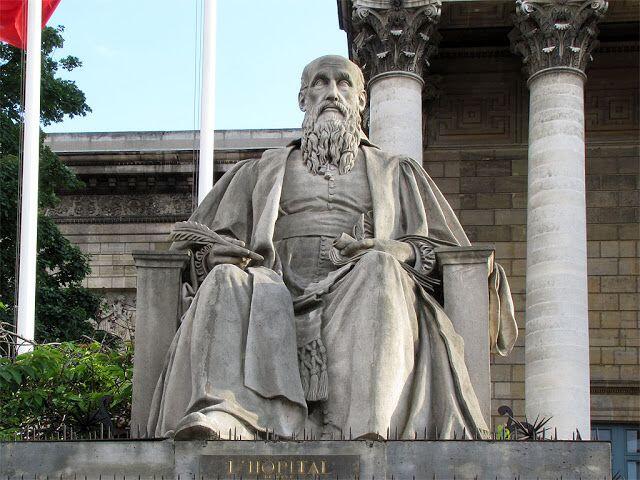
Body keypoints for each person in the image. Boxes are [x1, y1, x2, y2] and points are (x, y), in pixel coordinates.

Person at [147, 55, 517, 440]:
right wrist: (212, 256)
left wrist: (400, 251)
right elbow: (193, 246)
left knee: (379, 268)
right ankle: (228, 415)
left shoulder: (397, 173)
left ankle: (367, 427)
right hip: (271, 287)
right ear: (302, 98)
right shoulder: (257, 172)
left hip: (355, 288)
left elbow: (443, 251)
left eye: (344, 85)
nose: (332, 93)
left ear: (361, 102)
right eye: (320, 84)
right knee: (226, 279)